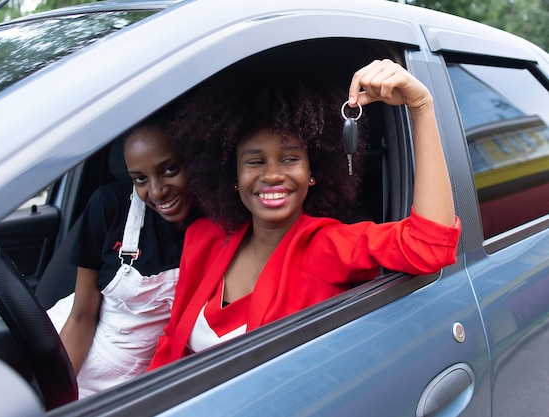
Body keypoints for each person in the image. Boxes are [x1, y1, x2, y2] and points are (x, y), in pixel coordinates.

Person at [147, 59, 461, 369]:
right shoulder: (203, 237)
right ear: (233, 175)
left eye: (289, 159)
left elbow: (428, 245)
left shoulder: (326, 246)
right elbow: (172, 341)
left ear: (313, 172)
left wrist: (421, 107)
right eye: (255, 162)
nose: (272, 175)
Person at [47, 114, 196, 398]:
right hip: (69, 357)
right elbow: (81, 318)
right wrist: (57, 399)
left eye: (169, 169)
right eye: (140, 179)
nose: (157, 191)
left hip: (129, 388)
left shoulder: (218, 225)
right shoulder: (110, 206)